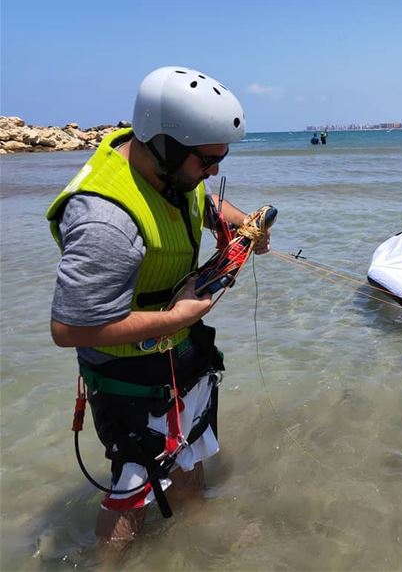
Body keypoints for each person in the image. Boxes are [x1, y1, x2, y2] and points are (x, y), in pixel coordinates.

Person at [46, 66, 270, 549]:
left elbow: (204, 203)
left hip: (181, 355)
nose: (213, 171)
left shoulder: (167, 169)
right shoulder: (105, 220)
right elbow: (69, 328)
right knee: (132, 489)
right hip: (131, 377)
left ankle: (192, 539)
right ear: (166, 147)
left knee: (190, 456)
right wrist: (175, 318)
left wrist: (242, 225)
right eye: (207, 160)